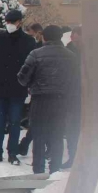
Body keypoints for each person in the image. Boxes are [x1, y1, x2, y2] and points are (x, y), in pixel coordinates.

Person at [17, 25, 76, 174]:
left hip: (40, 100)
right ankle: (55, 169)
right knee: (57, 135)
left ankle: (38, 171)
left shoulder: (36, 54)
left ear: (44, 37)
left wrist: (32, 84)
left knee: (39, 136)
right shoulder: (71, 56)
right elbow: (75, 81)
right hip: (61, 101)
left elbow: (22, 78)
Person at [0, 10, 37, 165]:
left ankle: (12, 153)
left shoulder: (28, 41)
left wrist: (25, 82)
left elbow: (32, 65)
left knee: (15, 122)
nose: (9, 25)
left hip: (17, 89)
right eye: (7, 22)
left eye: (12, 22)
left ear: (19, 22)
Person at [62, 26, 82, 168]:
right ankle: (73, 156)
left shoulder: (92, 51)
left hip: (87, 97)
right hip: (72, 96)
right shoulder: (67, 51)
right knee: (72, 129)